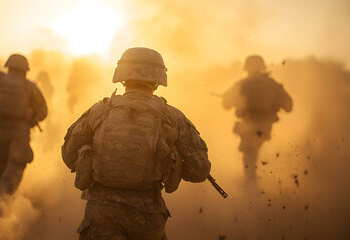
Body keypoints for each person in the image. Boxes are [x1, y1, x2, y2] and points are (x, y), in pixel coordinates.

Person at [61, 47, 212, 240]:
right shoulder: (173, 117)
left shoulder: (99, 110)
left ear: (122, 76)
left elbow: (69, 156)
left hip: (102, 213)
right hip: (148, 218)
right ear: (158, 79)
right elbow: (199, 171)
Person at [0, 53, 47, 194]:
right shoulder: (29, 87)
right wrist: (32, 120)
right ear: (25, 70)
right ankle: (4, 203)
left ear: (8, 67)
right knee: (16, 167)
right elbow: (44, 111)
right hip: (21, 132)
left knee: (3, 166)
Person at [222, 55, 292, 184]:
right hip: (265, 127)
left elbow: (226, 104)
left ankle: (250, 184)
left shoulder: (241, 84)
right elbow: (289, 106)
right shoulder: (272, 84)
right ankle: (252, 180)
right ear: (262, 67)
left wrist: (237, 101)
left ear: (246, 68)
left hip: (248, 125)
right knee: (253, 152)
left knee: (249, 154)